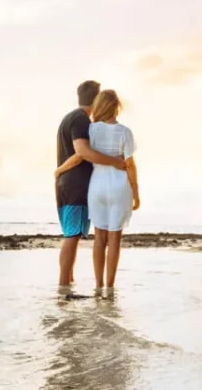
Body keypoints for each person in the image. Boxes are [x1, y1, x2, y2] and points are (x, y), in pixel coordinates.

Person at [54, 89, 139, 296]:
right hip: (119, 188)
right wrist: (136, 193)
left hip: (97, 187)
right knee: (115, 239)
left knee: (99, 238)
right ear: (117, 107)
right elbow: (130, 165)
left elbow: (80, 156)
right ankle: (110, 287)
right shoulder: (125, 132)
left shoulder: (92, 130)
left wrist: (59, 170)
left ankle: (98, 285)